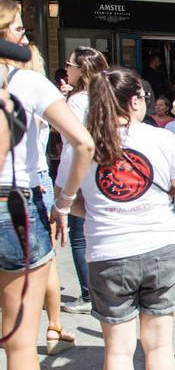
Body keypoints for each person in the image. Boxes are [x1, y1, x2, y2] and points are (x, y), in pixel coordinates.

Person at [59, 67, 175, 370]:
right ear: (136, 100)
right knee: (159, 346)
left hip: (108, 253)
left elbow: (68, 201)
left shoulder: (83, 143)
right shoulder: (160, 139)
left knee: (118, 350)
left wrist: (100, 207)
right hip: (161, 248)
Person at [0, 0, 95, 370]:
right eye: (19, 29)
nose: (25, 36)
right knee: (19, 342)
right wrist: (64, 201)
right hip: (15, 205)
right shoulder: (28, 84)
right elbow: (84, 144)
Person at [16, 45, 78, 355]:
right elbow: (80, 140)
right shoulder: (35, 89)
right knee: (44, 261)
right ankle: (53, 327)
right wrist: (66, 200)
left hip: (25, 182)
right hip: (32, 179)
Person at [61, 45, 109, 315]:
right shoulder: (107, 96)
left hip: (81, 172)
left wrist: (64, 186)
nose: (66, 69)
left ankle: (88, 294)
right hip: (106, 172)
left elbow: (73, 145)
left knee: (79, 236)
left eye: (70, 65)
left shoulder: (79, 101)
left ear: (82, 70)